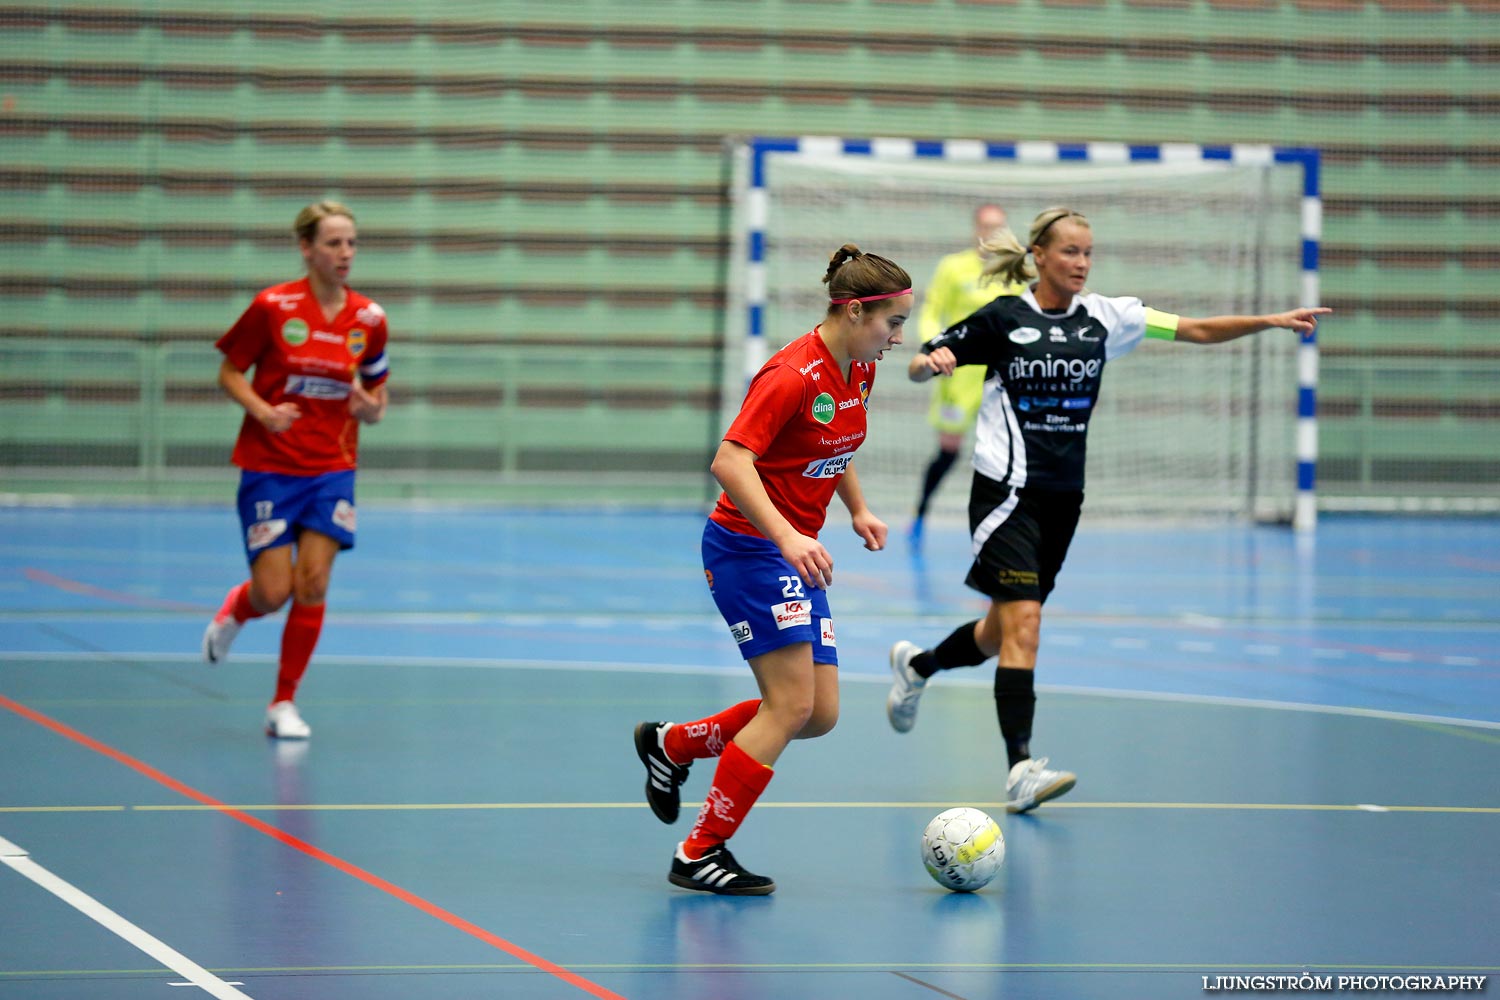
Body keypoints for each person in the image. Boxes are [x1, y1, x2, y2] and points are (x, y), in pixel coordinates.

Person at [886, 207, 1329, 813]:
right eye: (1070, 252)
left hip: (1064, 498)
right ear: (1040, 256)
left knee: (1001, 630)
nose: (1082, 263)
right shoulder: (1004, 318)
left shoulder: (1107, 318)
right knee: (1026, 626)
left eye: (1089, 253)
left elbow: (1195, 330)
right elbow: (922, 360)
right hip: (1005, 493)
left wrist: (1270, 321)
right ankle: (1020, 769)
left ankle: (919, 665)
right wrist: (928, 365)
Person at [634, 245, 912, 895]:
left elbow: (833, 444)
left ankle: (674, 745)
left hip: (793, 551)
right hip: (749, 550)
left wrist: (860, 509)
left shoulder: (858, 368)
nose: (897, 337)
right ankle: (700, 851)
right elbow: (731, 461)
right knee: (789, 705)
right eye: (891, 323)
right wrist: (787, 534)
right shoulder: (790, 374)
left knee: (818, 714)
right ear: (851, 311)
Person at [201, 200, 390, 740]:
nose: (345, 253)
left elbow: (377, 393)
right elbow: (230, 371)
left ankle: (283, 702)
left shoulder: (369, 319)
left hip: (332, 467)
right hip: (270, 467)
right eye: (333, 243)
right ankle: (238, 609)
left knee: (313, 582)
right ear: (306, 249)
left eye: (351, 242)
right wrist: (263, 411)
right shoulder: (273, 307)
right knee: (273, 591)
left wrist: (371, 408)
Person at [909, 203, 1023, 546]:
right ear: (975, 228)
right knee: (948, 451)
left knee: (1004, 452)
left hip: (1001, 377)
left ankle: (1003, 526)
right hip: (957, 377)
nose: (993, 233)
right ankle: (919, 515)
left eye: (999, 227)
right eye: (987, 226)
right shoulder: (954, 268)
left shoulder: (1017, 272)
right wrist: (932, 349)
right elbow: (932, 311)